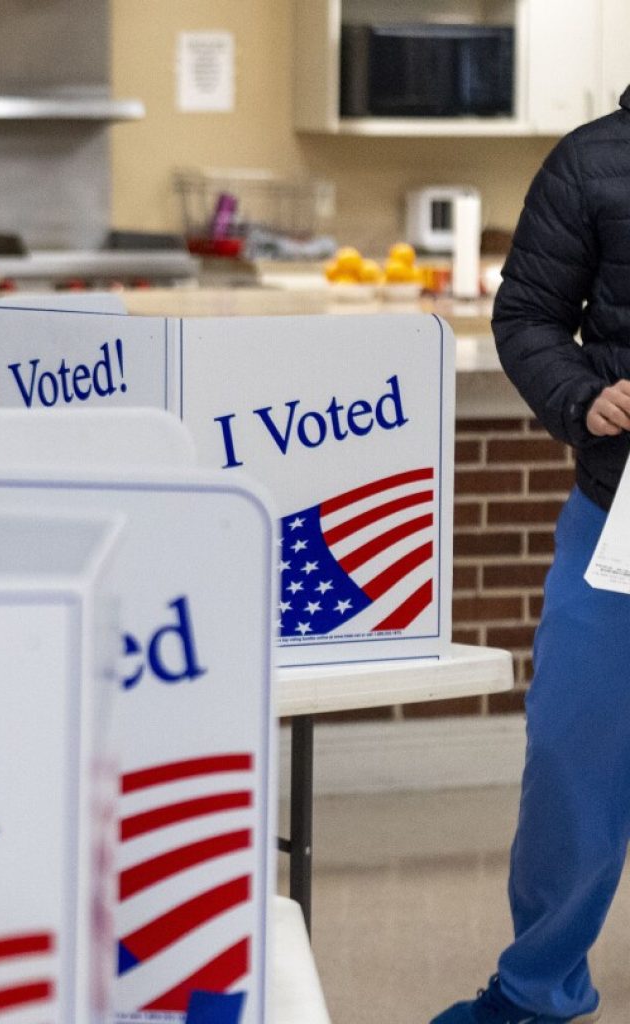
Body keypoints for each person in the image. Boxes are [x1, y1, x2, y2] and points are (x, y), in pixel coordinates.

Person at [430, 90, 630, 1023]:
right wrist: (585, 398)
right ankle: (538, 988)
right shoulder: (592, 163)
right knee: (572, 756)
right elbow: (529, 317)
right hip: (616, 515)